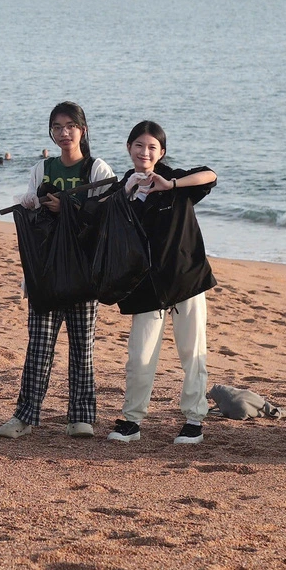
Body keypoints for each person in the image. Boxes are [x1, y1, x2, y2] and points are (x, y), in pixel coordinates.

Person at [0, 102, 114, 439]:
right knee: (39, 346)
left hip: (83, 272)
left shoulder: (97, 169)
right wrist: (31, 203)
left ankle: (81, 417)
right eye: (57, 127)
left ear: (83, 129)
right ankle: (25, 415)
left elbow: (107, 214)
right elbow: (32, 213)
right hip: (46, 272)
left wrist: (70, 207)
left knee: (83, 347)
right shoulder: (42, 169)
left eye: (70, 126)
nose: (64, 133)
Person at [107, 120, 217, 446]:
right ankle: (131, 420)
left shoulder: (175, 179)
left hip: (186, 279)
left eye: (152, 147)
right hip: (144, 287)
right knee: (139, 356)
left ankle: (194, 420)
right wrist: (127, 192)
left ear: (162, 152)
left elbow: (210, 174)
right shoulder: (122, 190)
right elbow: (100, 219)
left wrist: (171, 185)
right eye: (139, 146)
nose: (145, 152)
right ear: (129, 149)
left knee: (191, 352)